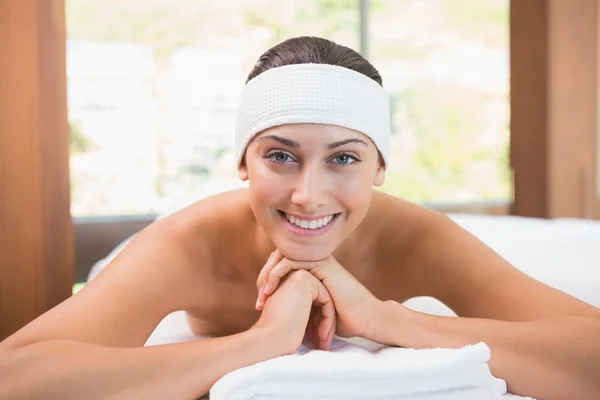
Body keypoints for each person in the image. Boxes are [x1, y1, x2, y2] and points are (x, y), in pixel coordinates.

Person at [1, 36, 599, 400]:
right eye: (280, 156)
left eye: (344, 158)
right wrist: (260, 343)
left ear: (380, 169)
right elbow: (16, 378)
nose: (308, 196)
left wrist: (384, 318)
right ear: (243, 163)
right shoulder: (190, 244)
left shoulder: (416, 238)